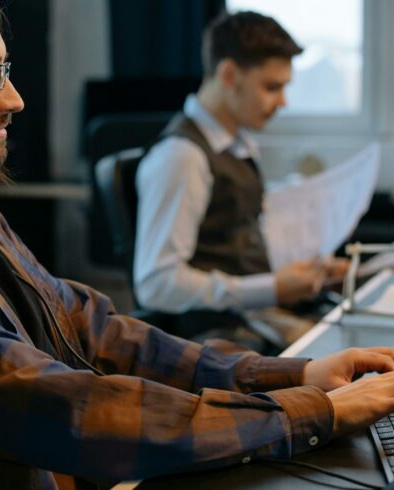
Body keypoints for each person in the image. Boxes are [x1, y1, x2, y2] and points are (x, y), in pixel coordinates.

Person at [0, 1, 394, 489]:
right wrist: (312, 412)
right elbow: (69, 409)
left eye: (8, 70)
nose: (14, 99)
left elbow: (95, 331)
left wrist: (296, 373)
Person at [134, 11, 349, 329]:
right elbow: (156, 284)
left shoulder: (240, 145)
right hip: (219, 336)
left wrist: (304, 275)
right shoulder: (183, 157)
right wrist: (272, 288)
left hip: (255, 318)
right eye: (271, 87)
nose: (283, 102)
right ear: (230, 75)